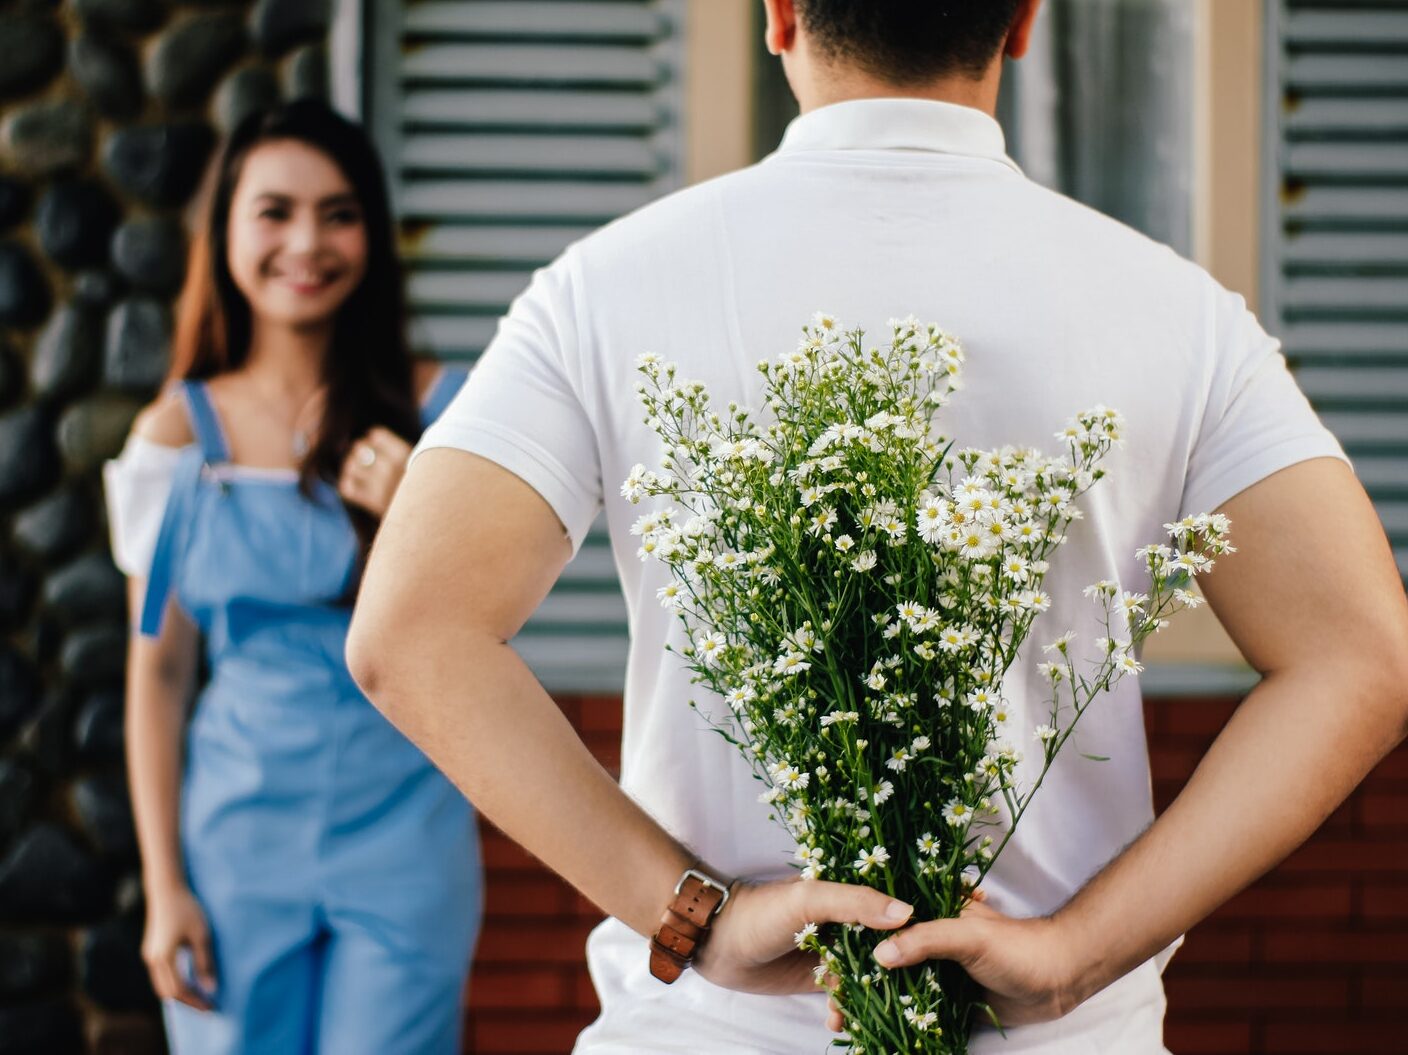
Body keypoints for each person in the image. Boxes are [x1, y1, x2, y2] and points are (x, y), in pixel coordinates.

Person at [345, 1, 1408, 1052]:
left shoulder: (604, 287)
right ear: (1022, 22)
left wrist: (695, 917)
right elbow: (1366, 655)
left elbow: (410, 633)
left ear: (778, 15)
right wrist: (1077, 948)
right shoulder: (1178, 310)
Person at [104, 101, 480, 1054]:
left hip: (409, 835)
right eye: (274, 211)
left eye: (340, 212)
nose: (306, 241)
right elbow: (157, 673)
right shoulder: (177, 436)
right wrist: (165, 887)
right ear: (225, 228)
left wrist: (416, 522)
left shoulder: (446, 413)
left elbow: (492, 636)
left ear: (373, 233)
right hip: (234, 843)